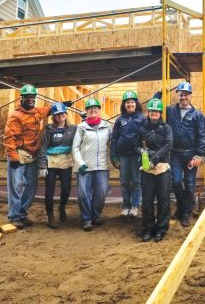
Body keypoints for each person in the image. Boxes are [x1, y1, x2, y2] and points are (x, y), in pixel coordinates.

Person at [4, 85, 62, 229]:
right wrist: (13, 157)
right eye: (28, 97)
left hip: (33, 155)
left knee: (31, 186)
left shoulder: (36, 111)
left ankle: (22, 214)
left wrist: (60, 106)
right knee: (16, 186)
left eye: (33, 97)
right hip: (19, 154)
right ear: (21, 98)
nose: (31, 99)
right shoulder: (15, 116)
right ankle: (14, 216)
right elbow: (9, 137)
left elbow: (47, 110)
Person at [164, 81, 205, 228]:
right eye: (181, 94)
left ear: (190, 96)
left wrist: (199, 155)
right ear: (177, 95)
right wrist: (160, 91)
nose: (183, 97)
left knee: (189, 185)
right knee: (175, 182)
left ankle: (186, 213)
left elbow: (202, 136)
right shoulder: (170, 111)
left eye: (186, 94)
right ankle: (181, 207)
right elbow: (156, 102)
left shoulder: (197, 114)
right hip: (175, 154)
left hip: (190, 155)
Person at [136, 98, 173, 242]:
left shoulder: (166, 128)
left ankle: (161, 229)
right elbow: (136, 146)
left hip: (162, 168)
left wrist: (155, 157)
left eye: (157, 111)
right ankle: (148, 228)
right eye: (152, 111)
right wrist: (144, 153)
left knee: (163, 200)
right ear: (148, 112)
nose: (154, 113)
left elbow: (169, 144)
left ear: (160, 113)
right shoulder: (142, 128)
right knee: (147, 200)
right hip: (147, 169)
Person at [72, 98, 111, 231]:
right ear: (87, 112)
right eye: (90, 108)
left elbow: (113, 144)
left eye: (95, 108)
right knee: (84, 193)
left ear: (99, 110)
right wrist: (80, 163)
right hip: (85, 167)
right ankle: (86, 219)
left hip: (101, 166)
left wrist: (116, 157)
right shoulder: (81, 127)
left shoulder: (107, 127)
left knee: (102, 192)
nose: (93, 110)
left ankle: (96, 215)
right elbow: (75, 147)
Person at [38, 103, 77, 229]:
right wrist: (42, 166)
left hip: (66, 162)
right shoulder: (49, 129)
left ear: (66, 114)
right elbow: (43, 147)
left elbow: (85, 131)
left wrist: (86, 118)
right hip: (51, 162)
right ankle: (50, 217)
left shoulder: (73, 128)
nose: (60, 116)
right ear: (54, 117)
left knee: (66, 188)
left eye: (62, 113)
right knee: (49, 191)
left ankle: (62, 207)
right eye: (57, 114)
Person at [110, 90, 146, 218]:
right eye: (127, 102)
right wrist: (113, 156)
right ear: (124, 105)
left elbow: (146, 137)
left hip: (136, 155)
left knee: (136, 181)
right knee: (125, 182)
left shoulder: (142, 118)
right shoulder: (120, 120)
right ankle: (125, 206)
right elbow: (114, 138)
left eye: (132, 102)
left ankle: (135, 206)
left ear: (136, 103)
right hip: (123, 156)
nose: (130, 104)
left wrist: (144, 156)